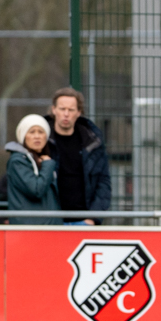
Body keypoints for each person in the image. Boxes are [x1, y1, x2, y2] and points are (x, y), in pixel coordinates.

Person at [45, 87, 111, 225]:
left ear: (79, 112)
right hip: (50, 222)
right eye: (62, 109)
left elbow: (103, 182)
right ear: (54, 110)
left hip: (83, 222)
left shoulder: (93, 142)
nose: (66, 114)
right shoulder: (40, 140)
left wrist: (93, 218)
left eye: (71, 110)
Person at [5, 114, 61, 225]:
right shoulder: (17, 161)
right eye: (32, 132)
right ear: (23, 136)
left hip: (47, 227)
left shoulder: (43, 160)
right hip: (31, 230)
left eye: (41, 132)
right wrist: (48, 165)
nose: (37, 136)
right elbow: (36, 190)